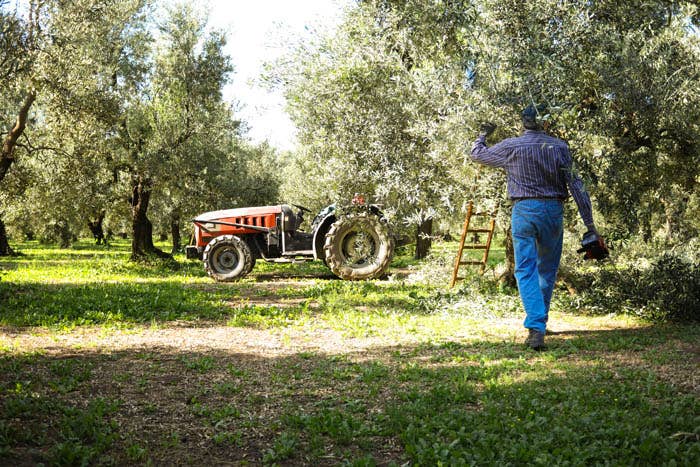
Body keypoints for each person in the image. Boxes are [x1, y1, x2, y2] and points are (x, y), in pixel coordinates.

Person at [470, 105, 604, 350]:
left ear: (523, 123)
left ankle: (536, 326)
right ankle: (539, 323)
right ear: (545, 123)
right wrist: (590, 225)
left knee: (525, 269)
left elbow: (477, 154)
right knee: (547, 269)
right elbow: (577, 186)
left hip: (524, 210)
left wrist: (483, 135)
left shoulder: (512, 146)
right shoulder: (559, 147)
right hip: (552, 211)